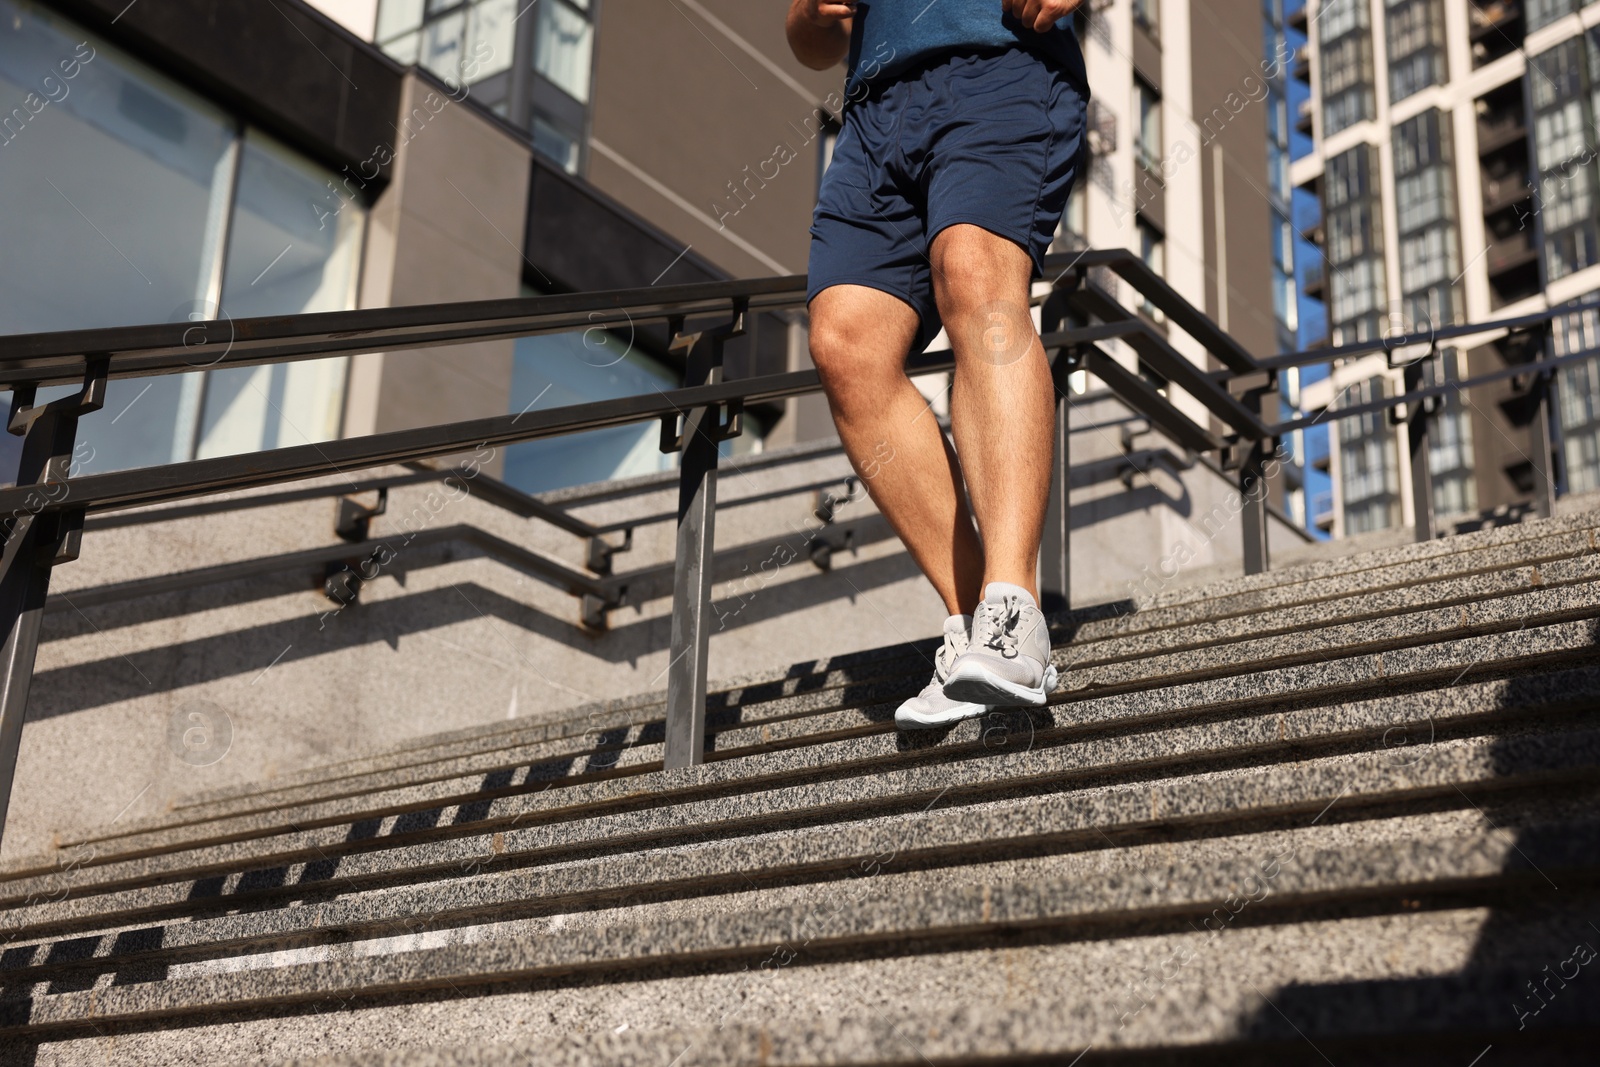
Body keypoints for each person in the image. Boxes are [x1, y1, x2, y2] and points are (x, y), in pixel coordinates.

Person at [785, 0, 1090, 729]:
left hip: (1002, 66)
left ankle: (1014, 608)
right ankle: (975, 627)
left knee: (974, 270)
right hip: (874, 113)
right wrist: (807, 11)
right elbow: (810, 45)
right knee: (844, 342)